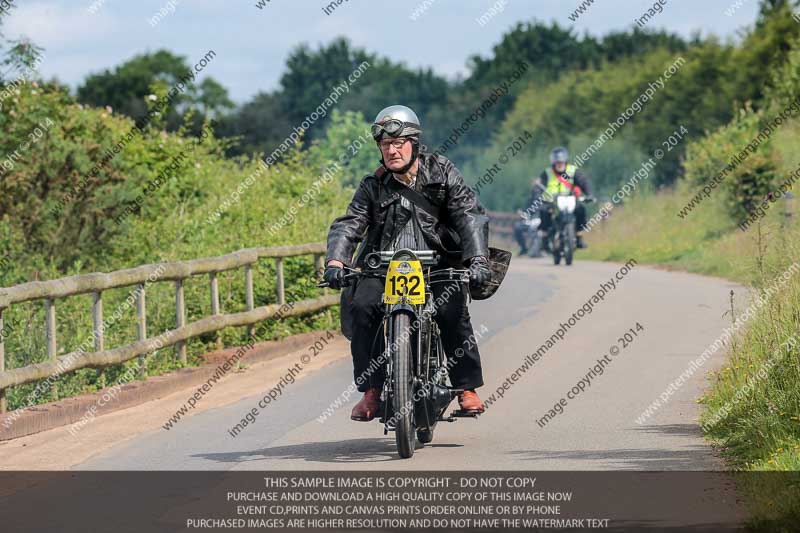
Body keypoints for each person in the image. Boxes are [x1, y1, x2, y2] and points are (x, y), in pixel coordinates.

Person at [323, 105, 491, 421]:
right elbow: (350, 222)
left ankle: (465, 387)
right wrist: (336, 260)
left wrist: (478, 258)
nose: (392, 149)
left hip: (436, 264)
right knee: (361, 307)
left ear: (414, 143)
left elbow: (468, 214)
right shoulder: (372, 185)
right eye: (386, 144)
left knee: (452, 308)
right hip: (383, 266)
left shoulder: (442, 173)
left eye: (399, 142)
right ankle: (372, 390)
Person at [520, 147, 592, 251]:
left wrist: (589, 194)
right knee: (544, 212)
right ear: (553, 162)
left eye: (561, 162)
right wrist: (537, 196)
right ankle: (544, 238)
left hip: (569, 200)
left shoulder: (573, 170)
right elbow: (538, 187)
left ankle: (579, 236)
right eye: (557, 162)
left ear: (565, 161)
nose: (560, 164)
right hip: (551, 201)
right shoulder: (547, 172)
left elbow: (584, 183)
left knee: (580, 209)